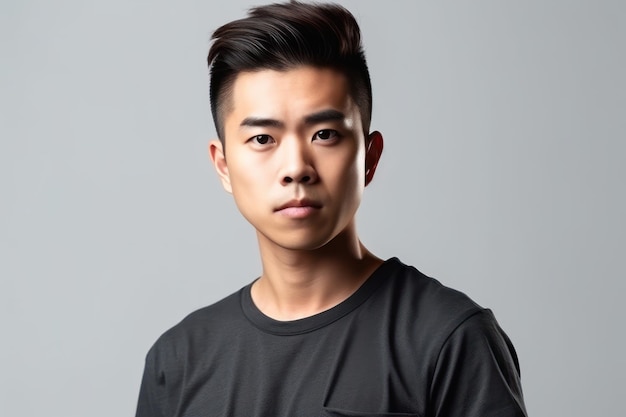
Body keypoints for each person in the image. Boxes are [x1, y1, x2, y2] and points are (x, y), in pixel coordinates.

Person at [135, 2, 527, 416]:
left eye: (324, 134)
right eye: (263, 139)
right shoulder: (177, 361)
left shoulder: (448, 338)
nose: (296, 169)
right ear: (224, 165)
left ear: (369, 158)